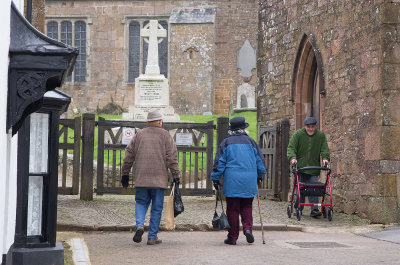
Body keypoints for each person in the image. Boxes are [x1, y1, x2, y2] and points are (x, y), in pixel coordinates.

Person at [121, 109, 180, 245]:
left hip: (141, 178)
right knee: (157, 208)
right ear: (160, 122)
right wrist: (176, 175)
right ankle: (152, 236)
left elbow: (128, 155)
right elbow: (172, 158)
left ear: (148, 122)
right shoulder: (166, 135)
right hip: (159, 180)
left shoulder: (139, 135)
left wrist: (125, 173)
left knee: (141, 203)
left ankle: (140, 225)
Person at [211, 116, 267, 245]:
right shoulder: (252, 142)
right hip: (249, 180)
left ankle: (232, 237)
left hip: (232, 181)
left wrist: (215, 178)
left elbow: (219, 163)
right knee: (247, 206)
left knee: (233, 208)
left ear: (232, 130)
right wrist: (260, 176)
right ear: (244, 129)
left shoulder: (226, 143)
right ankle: (248, 229)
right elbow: (260, 162)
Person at [287, 116, 330, 218]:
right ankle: (298, 208)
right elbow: (291, 147)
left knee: (313, 189)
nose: (310, 129)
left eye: (312, 127)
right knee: (300, 189)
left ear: (316, 126)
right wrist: (292, 158)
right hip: (300, 168)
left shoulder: (320, 135)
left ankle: (314, 210)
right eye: (308, 127)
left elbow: (324, 148)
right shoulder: (298, 134)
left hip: (313, 168)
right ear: (305, 126)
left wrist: (325, 158)